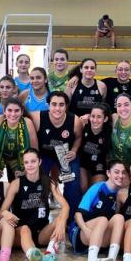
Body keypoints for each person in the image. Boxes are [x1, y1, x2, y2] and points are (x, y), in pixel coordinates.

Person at [0, 148, 69, 261]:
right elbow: (1, 212)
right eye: (26, 162)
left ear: (39, 162)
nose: (30, 165)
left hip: (42, 233)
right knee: (25, 228)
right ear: (23, 164)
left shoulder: (49, 182)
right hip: (22, 233)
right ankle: (34, 259)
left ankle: (49, 256)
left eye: (33, 161)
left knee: (60, 218)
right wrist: (5, 213)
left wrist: (62, 222)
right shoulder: (16, 184)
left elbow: (65, 206)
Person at [31, 91, 83, 221]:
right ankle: (38, 219)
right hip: (44, 155)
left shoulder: (75, 120)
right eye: (54, 104)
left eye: (61, 105)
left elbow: (78, 137)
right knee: (37, 182)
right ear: (48, 105)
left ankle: (71, 221)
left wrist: (75, 150)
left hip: (65, 155)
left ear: (66, 106)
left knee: (73, 185)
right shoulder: (37, 117)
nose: (57, 108)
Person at [71, 160, 126, 261]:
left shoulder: (119, 194)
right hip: (82, 234)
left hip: (99, 239)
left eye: (122, 172)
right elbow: (77, 214)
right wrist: (85, 230)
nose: (120, 176)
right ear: (108, 173)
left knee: (119, 218)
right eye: (116, 172)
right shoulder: (97, 188)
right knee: (103, 219)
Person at [0, 97, 38, 180]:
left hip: (19, 159)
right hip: (0, 157)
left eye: (17, 110)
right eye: (9, 110)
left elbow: (34, 149)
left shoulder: (27, 122)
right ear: (4, 111)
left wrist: (27, 170)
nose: (13, 114)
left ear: (22, 112)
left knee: (20, 182)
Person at [79, 103, 112, 192]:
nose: (95, 120)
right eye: (92, 116)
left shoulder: (110, 132)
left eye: (99, 117)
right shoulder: (83, 127)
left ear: (105, 119)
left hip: (100, 168)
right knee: (83, 187)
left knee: (95, 191)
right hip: (84, 165)